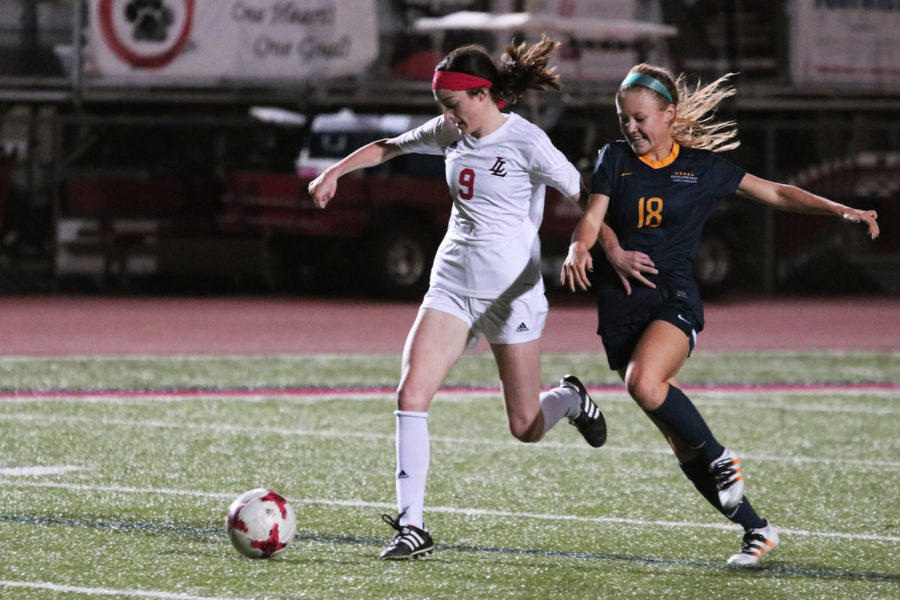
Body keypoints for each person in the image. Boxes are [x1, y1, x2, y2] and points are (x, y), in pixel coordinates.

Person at [561, 63, 880, 566]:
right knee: (681, 444)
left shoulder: (701, 168)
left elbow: (775, 192)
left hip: (674, 300)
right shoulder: (614, 159)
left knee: (644, 385)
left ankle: (721, 456)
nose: (631, 128)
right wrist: (586, 248)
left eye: (641, 118)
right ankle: (757, 530)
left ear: (669, 114)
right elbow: (594, 215)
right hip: (621, 308)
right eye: (624, 119)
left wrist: (840, 209)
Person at [308, 37, 608, 560]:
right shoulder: (451, 131)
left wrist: (609, 248)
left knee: (525, 426)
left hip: (511, 296)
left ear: (483, 94)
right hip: (451, 287)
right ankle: (412, 525)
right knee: (410, 396)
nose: (447, 117)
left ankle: (570, 398)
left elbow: (585, 197)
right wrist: (335, 171)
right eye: (442, 108)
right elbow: (390, 147)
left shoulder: (527, 142)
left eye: (453, 106)